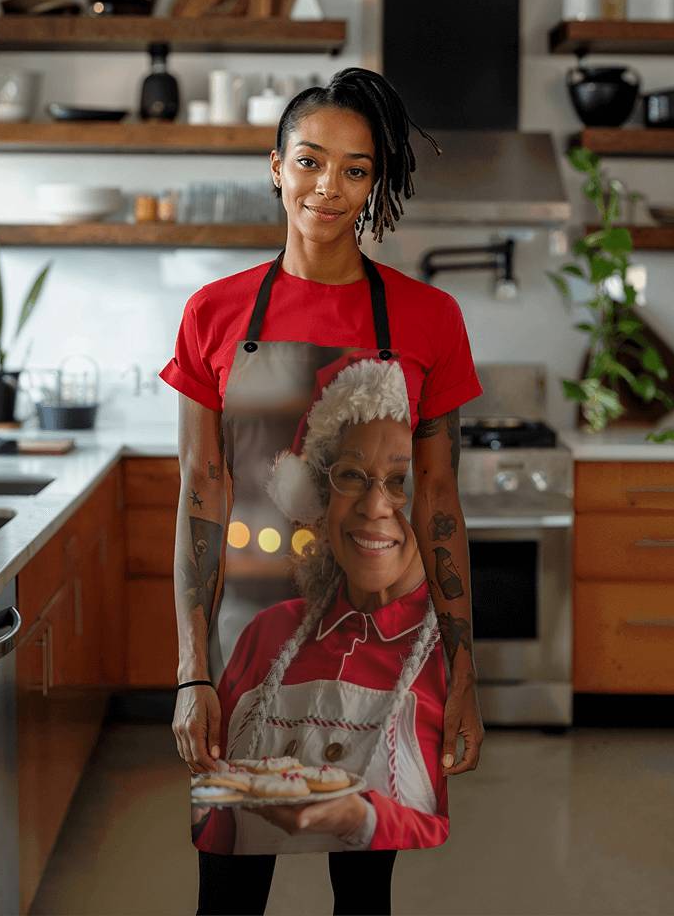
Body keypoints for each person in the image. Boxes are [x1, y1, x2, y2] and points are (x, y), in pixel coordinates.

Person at [159, 67, 485, 916]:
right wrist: (195, 672)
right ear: (275, 166)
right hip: (247, 646)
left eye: (355, 169)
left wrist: (461, 672)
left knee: (363, 892)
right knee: (229, 889)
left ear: (376, 183)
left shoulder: (428, 318)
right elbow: (203, 492)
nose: (328, 188)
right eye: (309, 161)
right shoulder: (214, 314)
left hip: (385, 648)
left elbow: (438, 505)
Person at [192, 359, 447, 884]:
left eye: (400, 483)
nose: (376, 506)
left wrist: (365, 819)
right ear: (319, 496)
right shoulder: (266, 633)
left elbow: (429, 822)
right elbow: (219, 839)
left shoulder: (447, 657)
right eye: (352, 476)